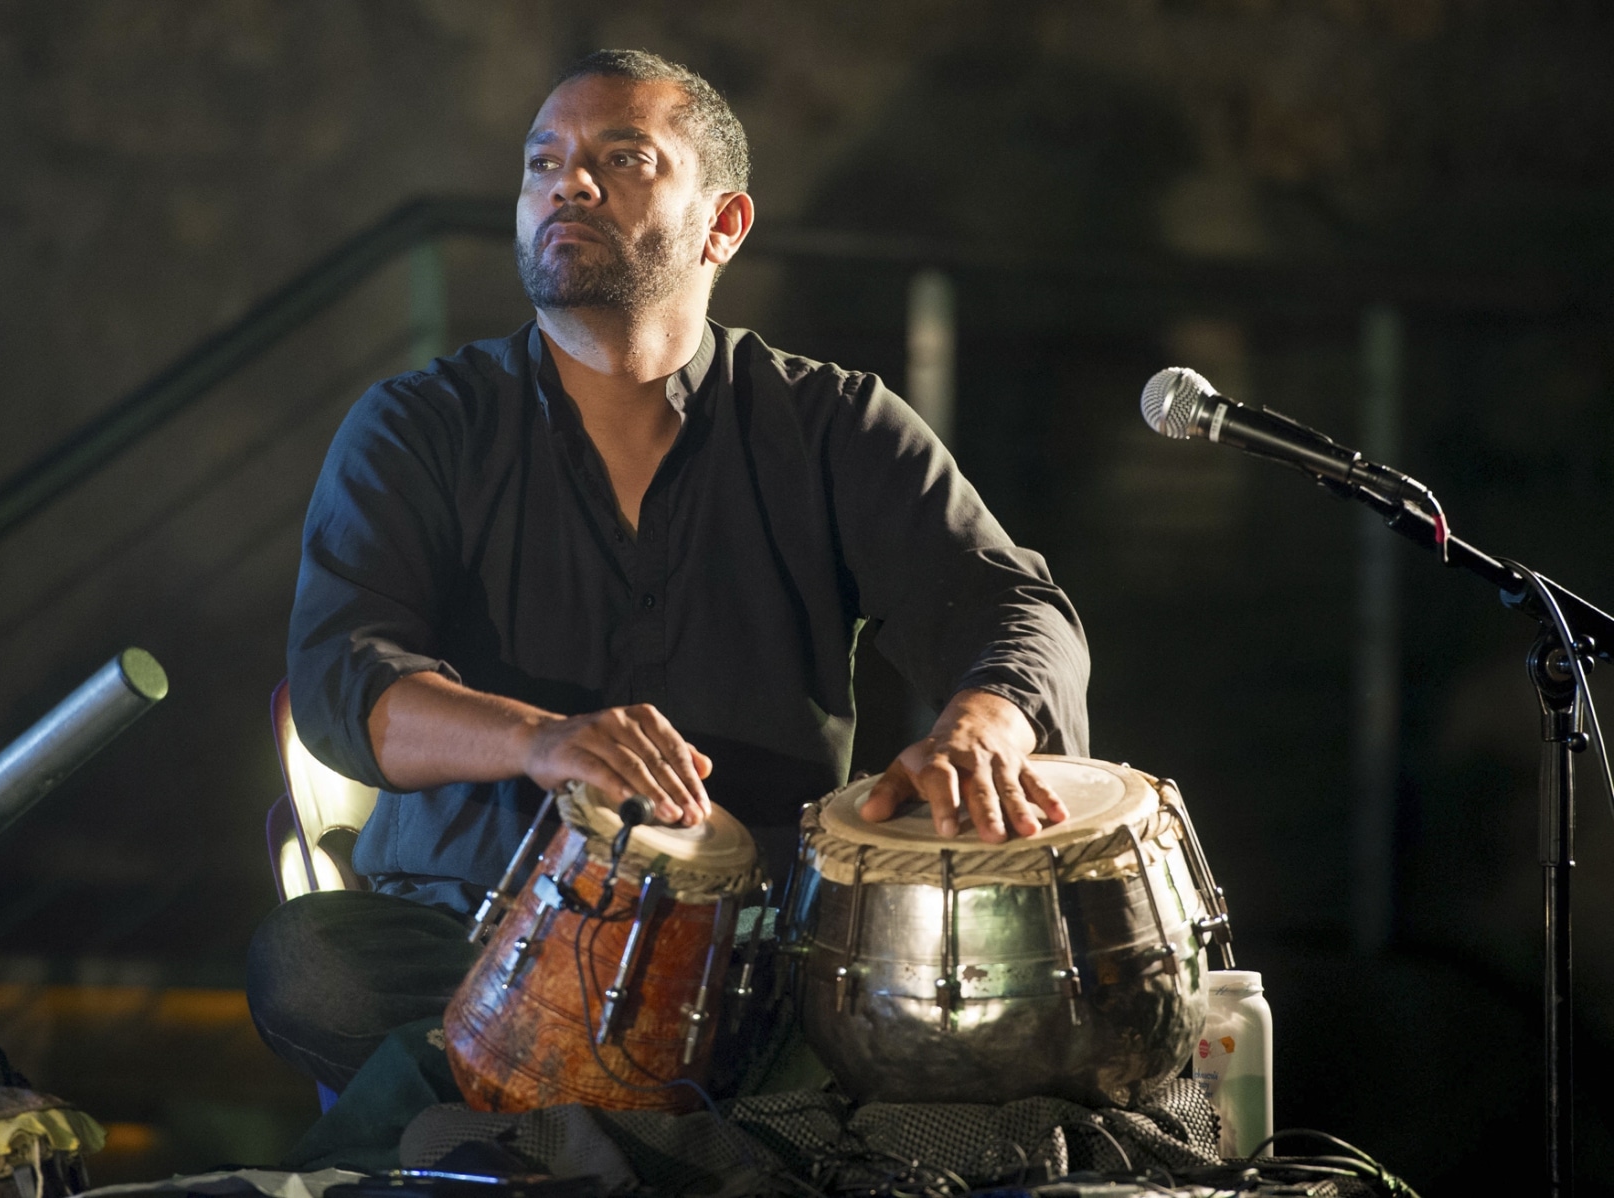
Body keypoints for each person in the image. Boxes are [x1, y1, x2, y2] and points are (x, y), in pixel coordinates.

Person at [247, 49, 1090, 1092]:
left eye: (622, 158)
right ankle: (649, 1111)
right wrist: (541, 740)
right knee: (315, 968)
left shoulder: (835, 425)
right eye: (542, 161)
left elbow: (1015, 609)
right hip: (469, 931)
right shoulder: (417, 427)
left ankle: (586, 1111)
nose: (568, 182)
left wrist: (983, 726)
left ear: (722, 225)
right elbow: (345, 679)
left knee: (958, 1018)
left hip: (755, 952)